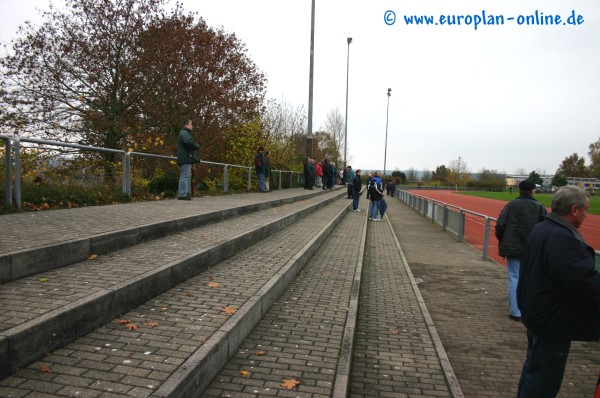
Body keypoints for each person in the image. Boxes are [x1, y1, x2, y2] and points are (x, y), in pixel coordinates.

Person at [517, 185, 600, 397]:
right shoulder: (562, 238)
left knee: (533, 369)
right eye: (584, 210)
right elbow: (583, 280)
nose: (586, 215)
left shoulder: (542, 228)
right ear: (574, 210)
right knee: (543, 380)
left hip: (537, 313)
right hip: (552, 321)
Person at [495, 180, 547, 322]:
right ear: (532, 191)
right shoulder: (539, 207)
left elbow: (500, 225)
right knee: (531, 279)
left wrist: (503, 241)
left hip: (513, 247)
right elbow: (546, 228)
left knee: (514, 277)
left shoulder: (511, 205)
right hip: (532, 249)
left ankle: (515, 312)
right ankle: (529, 309)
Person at [176, 119, 200, 200]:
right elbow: (188, 142)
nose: (192, 126)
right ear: (186, 125)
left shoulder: (184, 133)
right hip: (185, 158)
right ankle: (182, 194)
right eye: (191, 124)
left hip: (186, 157)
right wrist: (196, 145)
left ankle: (183, 193)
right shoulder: (184, 133)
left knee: (185, 176)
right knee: (185, 176)